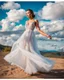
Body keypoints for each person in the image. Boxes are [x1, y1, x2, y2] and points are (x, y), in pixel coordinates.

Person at [4, 9, 55, 75]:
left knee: (31, 51)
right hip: (25, 36)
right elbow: (26, 30)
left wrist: (47, 35)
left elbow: (39, 30)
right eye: (26, 13)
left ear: (32, 13)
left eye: (28, 13)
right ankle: (27, 67)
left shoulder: (35, 20)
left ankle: (33, 68)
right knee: (23, 49)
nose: (27, 14)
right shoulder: (26, 21)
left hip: (31, 36)